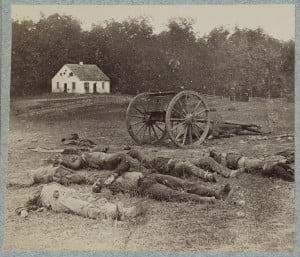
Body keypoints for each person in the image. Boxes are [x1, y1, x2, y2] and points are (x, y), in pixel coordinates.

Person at [16, 182, 149, 221]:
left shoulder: (51, 182)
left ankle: (124, 211)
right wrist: (22, 211)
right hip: (58, 200)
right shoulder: (39, 191)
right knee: (84, 206)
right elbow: (25, 205)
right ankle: (110, 215)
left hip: (69, 192)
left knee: (94, 199)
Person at [92, 171, 232, 204]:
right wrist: (99, 189)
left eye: (100, 179)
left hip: (150, 176)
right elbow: (107, 197)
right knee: (173, 194)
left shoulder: (117, 172)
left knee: (183, 184)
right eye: (100, 182)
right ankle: (206, 199)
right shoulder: (113, 189)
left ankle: (217, 193)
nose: (103, 180)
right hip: (144, 187)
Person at [209, 149, 294, 181]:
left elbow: (223, 166)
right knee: (267, 164)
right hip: (245, 161)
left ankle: (288, 169)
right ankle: (288, 170)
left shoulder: (222, 158)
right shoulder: (222, 157)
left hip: (245, 161)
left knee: (266, 164)